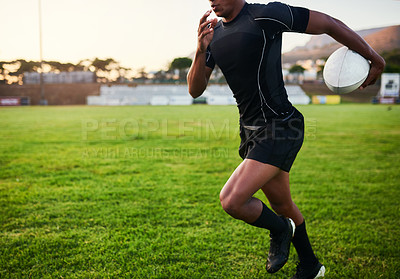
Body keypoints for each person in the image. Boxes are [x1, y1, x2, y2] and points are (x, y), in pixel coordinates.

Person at [187, 1, 385, 278]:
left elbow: (328, 23)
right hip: (250, 132)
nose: (212, 1)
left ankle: (281, 229)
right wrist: (200, 50)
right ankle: (310, 266)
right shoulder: (214, 36)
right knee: (282, 205)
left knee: (232, 200)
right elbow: (195, 89)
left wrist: (375, 58)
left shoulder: (266, 15)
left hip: (280, 125)